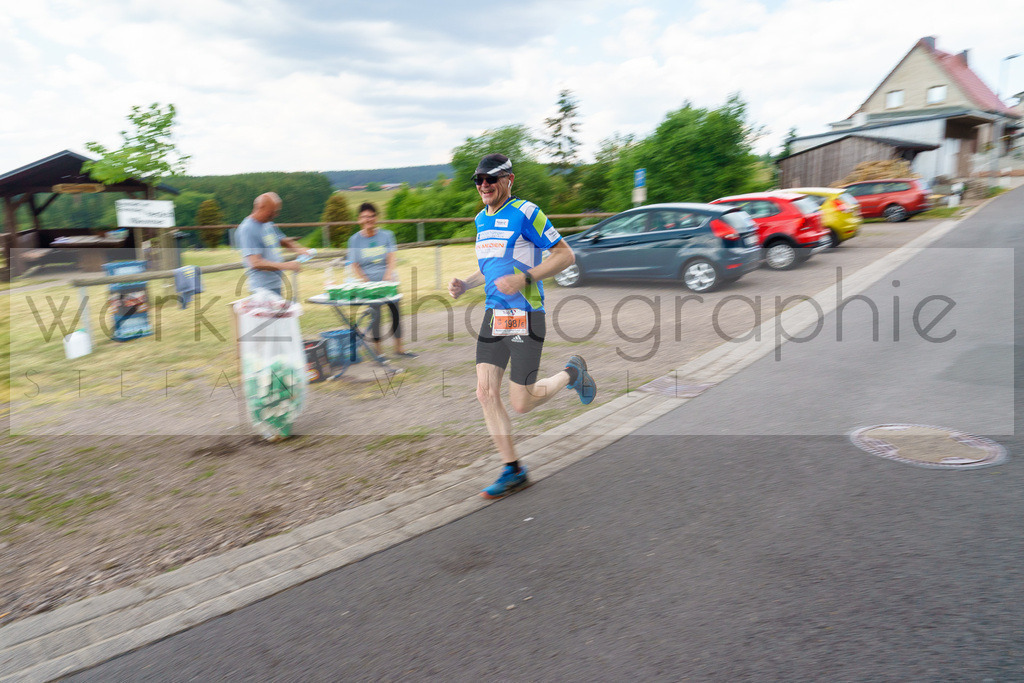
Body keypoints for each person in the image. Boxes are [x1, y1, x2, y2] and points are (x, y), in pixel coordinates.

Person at [448, 153, 597, 499]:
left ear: (508, 180)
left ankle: (571, 374)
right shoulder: (480, 219)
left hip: (526, 314)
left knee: (522, 403)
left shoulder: (527, 212)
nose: (483, 185)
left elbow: (565, 255)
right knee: (485, 393)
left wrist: (524, 278)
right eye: (478, 180)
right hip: (493, 314)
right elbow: (491, 267)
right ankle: (513, 469)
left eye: (491, 179)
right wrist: (466, 285)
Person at [347, 202, 415, 358]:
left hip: (388, 282)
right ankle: (379, 352)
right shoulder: (355, 240)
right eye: (365, 217)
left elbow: (391, 257)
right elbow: (355, 265)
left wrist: (388, 275)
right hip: (370, 284)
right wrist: (366, 281)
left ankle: (400, 349)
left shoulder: (387, 235)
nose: (368, 219)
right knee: (375, 316)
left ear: (376, 218)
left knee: (395, 313)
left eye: (371, 216)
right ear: (359, 220)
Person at [236, 192, 312, 296]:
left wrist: (298, 249)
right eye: (272, 212)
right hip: (261, 290)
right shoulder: (248, 229)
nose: (275, 215)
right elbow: (255, 263)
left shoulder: (268, 223)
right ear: (260, 207)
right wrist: (286, 265)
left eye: (276, 212)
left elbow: (282, 240)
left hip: (275, 285)